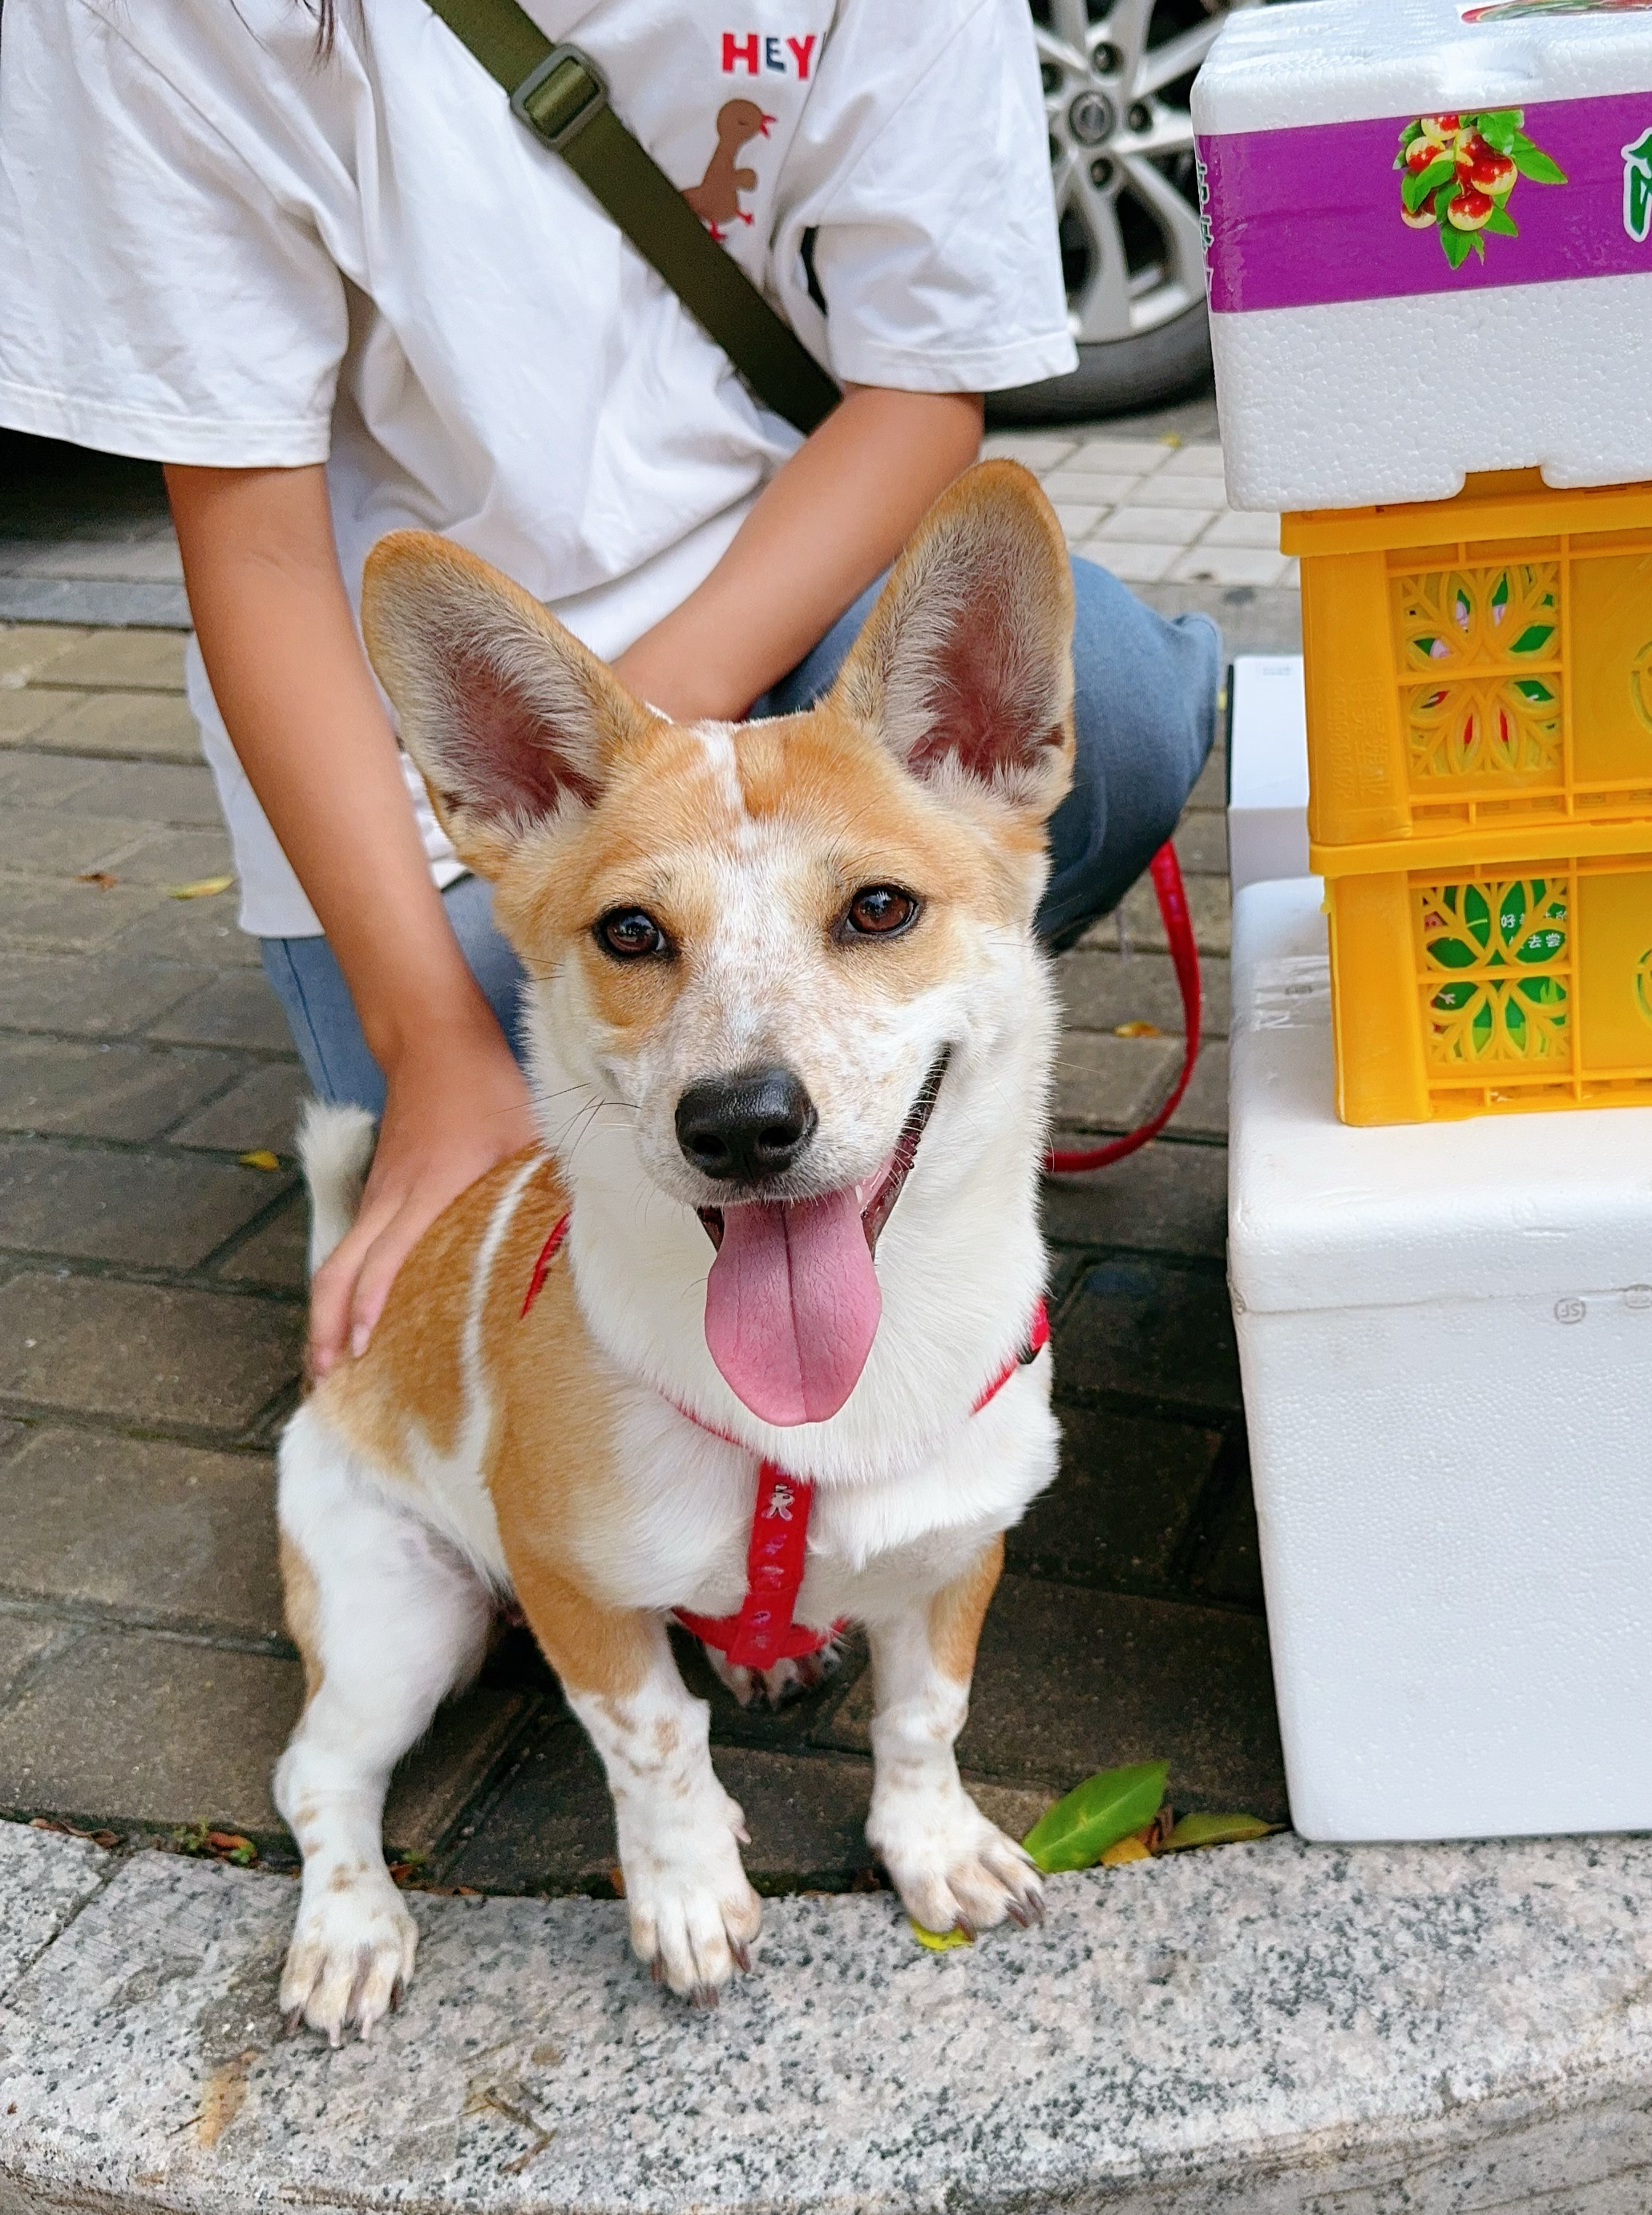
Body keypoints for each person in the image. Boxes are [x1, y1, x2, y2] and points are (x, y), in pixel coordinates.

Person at [0, 0, 1219, 1379]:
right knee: (493, 1267)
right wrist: (435, 1047)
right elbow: (255, 546)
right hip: (438, 713)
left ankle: (890, 1087)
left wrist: (641, 790)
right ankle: (577, 977)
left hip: (773, 580)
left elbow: (922, 386)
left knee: (1109, 705)